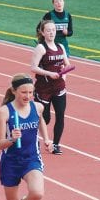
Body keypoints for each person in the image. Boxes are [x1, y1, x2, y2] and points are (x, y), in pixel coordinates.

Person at [0, 73, 52, 200]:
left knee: (37, 192)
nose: (27, 96)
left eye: (30, 92)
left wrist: (46, 139)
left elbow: (41, 120)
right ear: (14, 91)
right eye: (23, 92)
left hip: (31, 158)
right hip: (11, 162)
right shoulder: (4, 111)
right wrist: (11, 139)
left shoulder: (37, 107)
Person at [31, 20, 71, 155]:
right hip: (43, 89)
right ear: (42, 32)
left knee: (60, 116)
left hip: (59, 88)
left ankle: (56, 144)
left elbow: (67, 65)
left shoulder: (61, 46)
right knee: (45, 118)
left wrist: (63, 76)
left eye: (53, 30)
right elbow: (33, 67)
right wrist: (49, 73)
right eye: (48, 30)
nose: (51, 32)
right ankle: (30, 138)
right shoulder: (41, 48)